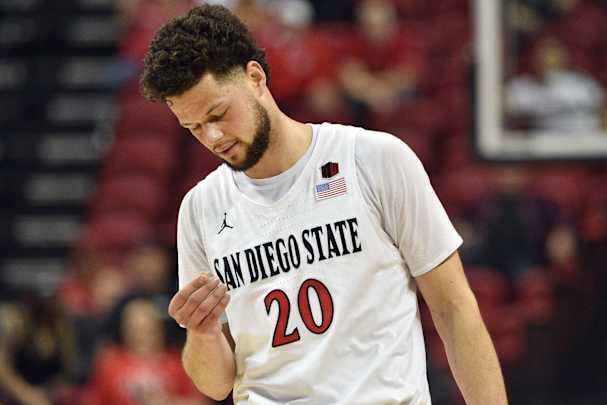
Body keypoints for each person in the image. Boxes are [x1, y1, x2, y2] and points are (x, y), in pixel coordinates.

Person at [141, 4, 508, 404]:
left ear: (255, 77)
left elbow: (454, 310)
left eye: (218, 114)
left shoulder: (374, 160)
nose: (212, 137)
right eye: (194, 127)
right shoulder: (200, 209)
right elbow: (216, 384)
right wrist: (203, 333)